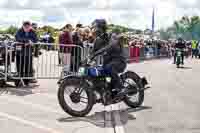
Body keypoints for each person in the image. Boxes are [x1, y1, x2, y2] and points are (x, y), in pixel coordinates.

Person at [91, 19, 127, 95]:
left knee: (109, 68)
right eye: (93, 28)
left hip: (119, 61)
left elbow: (111, 45)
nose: (93, 30)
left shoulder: (111, 35)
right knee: (97, 71)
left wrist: (98, 52)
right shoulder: (97, 40)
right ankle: (107, 90)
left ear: (101, 27)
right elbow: (92, 53)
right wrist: (86, 60)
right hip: (107, 62)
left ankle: (121, 88)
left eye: (95, 27)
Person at [15, 21, 38, 85]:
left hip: (29, 53)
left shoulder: (33, 31)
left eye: (28, 27)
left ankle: (26, 81)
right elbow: (17, 38)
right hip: (20, 53)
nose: (27, 28)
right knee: (20, 67)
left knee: (28, 67)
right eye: (25, 27)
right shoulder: (19, 31)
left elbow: (35, 39)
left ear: (30, 26)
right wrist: (27, 41)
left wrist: (31, 42)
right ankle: (19, 81)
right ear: (23, 26)